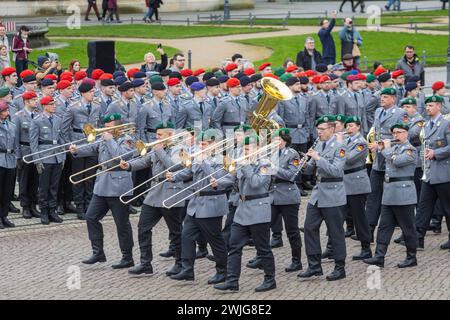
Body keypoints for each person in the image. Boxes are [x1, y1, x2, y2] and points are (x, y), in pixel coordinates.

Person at [69, 113, 135, 268]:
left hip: (119, 186)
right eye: (105, 128)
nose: (105, 130)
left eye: (109, 127)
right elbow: (92, 148)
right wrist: (76, 150)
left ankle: (127, 257)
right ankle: (98, 252)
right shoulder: (103, 139)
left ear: (118, 127)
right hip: (102, 185)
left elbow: (121, 157)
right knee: (91, 217)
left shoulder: (128, 139)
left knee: (122, 224)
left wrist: (110, 140)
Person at [121, 121, 186, 276]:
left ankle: (181, 263)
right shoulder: (158, 148)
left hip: (171, 193)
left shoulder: (180, 148)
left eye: (160, 135)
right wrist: (128, 165)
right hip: (154, 193)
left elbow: (174, 165)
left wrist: (159, 151)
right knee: (143, 227)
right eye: (156, 134)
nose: (156, 137)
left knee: (176, 231)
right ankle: (145, 263)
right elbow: (144, 161)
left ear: (170, 135)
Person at [169, 129, 234, 284]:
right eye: (199, 143)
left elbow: (222, 179)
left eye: (203, 144)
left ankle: (222, 271)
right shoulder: (198, 158)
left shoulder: (223, 159)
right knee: (186, 235)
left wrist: (203, 161)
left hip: (212, 204)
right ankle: (187, 269)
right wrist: (174, 177)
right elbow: (189, 172)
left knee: (215, 240)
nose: (200, 146)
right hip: (195, 204)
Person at [214, 135, 276, 293]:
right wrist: (217, 182)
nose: (245, 152)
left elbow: (256, 183)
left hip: (259, 209)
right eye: (244, 149)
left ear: (258, 148)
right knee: (234, 246)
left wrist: (246, 165)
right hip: (242, 210)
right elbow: (232, 179)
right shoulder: (243, 163)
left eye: (248, 149)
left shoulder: (267, 164)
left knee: (263, 248)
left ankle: (270, 279)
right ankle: (232, 281)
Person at [298, 115, 347, 281]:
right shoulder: (319, 143)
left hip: (333, 193)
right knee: (310, 227)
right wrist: (305, 163)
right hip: (318, 193)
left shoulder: (340, 146)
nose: (319, 132)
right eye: (318, 129)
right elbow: (311, 168)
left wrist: (318, 158)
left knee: (335, 232)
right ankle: (314, 265)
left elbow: (335, 170)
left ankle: (340, 267)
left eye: (322, 129)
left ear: (332, 129)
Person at [364, 122, 418, 268]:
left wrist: (385, 149)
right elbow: (385, 161)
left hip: (403, 193)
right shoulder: (393, 148)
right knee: (384, 226)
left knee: (408, 227)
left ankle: (411, 256)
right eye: (394, 133)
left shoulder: (410, 150)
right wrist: (380, 148)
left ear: (406, 134)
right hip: (389, 193)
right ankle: (379, 256)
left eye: (399, 132)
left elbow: (398, 161)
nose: (395, 135)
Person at [365, 88, 408, 240]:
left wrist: (381, 145)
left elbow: (400, 137)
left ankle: (406, 232)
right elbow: (376, 132)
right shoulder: (378, 112)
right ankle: (368, 231)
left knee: (395, 197)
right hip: (378, 160)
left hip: (391, 158)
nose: (382, 99)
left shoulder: (400, 113)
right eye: (381, 96)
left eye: (385, 97)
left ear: (393, 99)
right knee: (373, 196)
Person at [414, 95, 450, 251]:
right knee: (423, 207)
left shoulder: (446, 124)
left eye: (431, 105)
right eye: (427, 105)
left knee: (448, 208)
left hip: (443, 173)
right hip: (428, 173)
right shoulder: (426, 125)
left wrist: (436, 153)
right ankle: (418, 238)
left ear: (439, 107)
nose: (427, 108)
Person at [61, 81, 102, 219]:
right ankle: (79, 205)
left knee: (90, 177)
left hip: (92, 144)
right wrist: (69, 145)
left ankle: (89, 203)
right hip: (78, 144)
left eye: (93, 92)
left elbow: (99, 125)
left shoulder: (97, 106)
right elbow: (64, 129)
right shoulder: (73, 108)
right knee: (78, 177)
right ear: (83, 93)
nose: (93, 94)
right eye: (90, 92)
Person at [29, 96, 65, 225]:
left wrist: (63, 156)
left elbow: (61, 139)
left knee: (54, 186)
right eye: (51, 104)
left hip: (57, 156)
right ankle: (44, 211)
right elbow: (33, 143)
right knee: (44, 187)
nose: (54, 106)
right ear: (44, 106)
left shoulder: (58, 119)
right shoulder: (37, 120)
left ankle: (52, 210)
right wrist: (37, 160)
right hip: (45, 156)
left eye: (55, 104)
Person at [342, 116, 372, 260]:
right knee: (337, 216)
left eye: (352, 126)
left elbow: (348, 158)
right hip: (344, 182)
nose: (348, 128)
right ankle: (330, 247)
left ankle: (366, 248)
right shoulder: (346, 140)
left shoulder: (361, 142)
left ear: (359, 127)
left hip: (356, 183)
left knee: (359, 217)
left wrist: (337, 146)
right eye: (347, 126)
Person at [13, 91, 41, 220]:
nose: (36, 101)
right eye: (33, 100)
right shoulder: (19, 116)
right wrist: (18, 156)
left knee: (35, 180)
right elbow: (16, 138)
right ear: (26, 102)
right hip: (24, 151)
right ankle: (25, 206)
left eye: (36, 99)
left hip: (36, 152)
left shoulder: (38, 115)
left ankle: (33, 205)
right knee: (24, 181)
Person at [0, 100, 18, 229]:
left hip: (10, 160)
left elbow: (15, 143)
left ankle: (4, 216)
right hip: (0, 159)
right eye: (4, 111)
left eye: (7, 111)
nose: (7, 113)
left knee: (7, 191)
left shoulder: (12, 125)